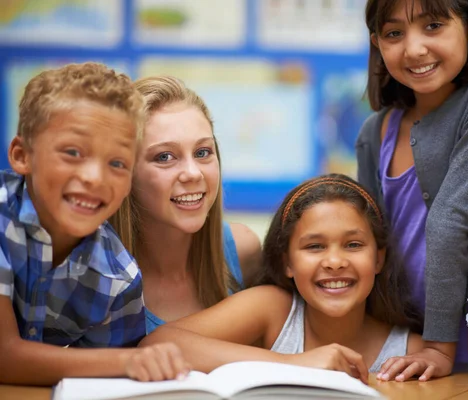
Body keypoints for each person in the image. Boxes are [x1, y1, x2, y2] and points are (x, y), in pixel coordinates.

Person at [356, 0, 468, 381]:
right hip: (400, 347)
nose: (414, 48)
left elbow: (452, 213)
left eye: (433, 26)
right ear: (377, 43)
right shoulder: (377, 130)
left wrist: (438, 345)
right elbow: (366, 241)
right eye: (393, 33)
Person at [0, 62, 189, 385]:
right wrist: (128, 361)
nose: (94, 178)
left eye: (117, 163)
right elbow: (4, 356)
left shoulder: (119, 277)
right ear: (21, 155)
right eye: (73, 152)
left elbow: (102, 388)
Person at [139, 174, 424, 383]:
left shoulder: (408, 353)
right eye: (315, 246)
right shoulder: (274, 309)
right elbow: (156, 345)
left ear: (378, 258)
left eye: (353, 245)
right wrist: (294, 364)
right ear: (287, 261)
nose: (335, 262)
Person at [110, 76, 262, 334]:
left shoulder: (243, 252)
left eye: (203, 152)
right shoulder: (92, 271)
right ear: (126, 171)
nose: (193, 173)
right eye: (165, 157)